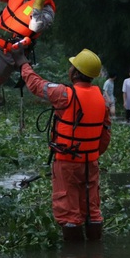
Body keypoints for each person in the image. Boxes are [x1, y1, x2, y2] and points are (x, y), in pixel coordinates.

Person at [12, 48, 111, 242]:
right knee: (92, 209)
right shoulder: (103, 99)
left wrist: (23, 63)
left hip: (67, 163)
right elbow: (105, 136)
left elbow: (35, 85)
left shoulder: (64, 94)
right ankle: (94, 256)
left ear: (75, 72)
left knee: (68, 211)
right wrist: (90, 154)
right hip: (90, 163)